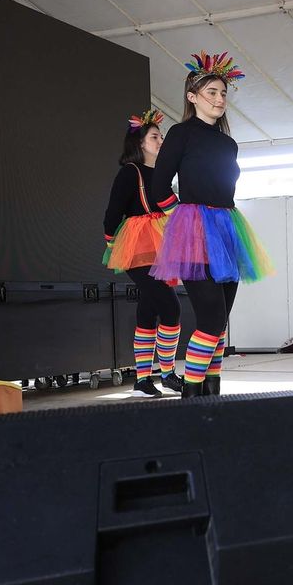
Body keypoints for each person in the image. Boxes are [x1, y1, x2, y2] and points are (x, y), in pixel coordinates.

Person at [150, 52, 273, 398]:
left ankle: (211, 391)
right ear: (192, 97)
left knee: (220, 323)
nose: (219, 99)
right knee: (211, 318)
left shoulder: (228, 143)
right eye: (212, 93)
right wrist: (182, 219)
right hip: (194, 230)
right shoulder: (180, 134)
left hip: (228, 230)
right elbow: (159, 187)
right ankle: (191, 394)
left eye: (223, 93)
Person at [103, 108, 182, 397]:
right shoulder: (130, 172)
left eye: (161, 137)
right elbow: (113, 212)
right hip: (137, 245)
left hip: (161, 245)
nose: (161, 141)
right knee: (170, 307)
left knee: (148, 309)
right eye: (155, 137)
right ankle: (167, 374)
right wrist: (112, 243)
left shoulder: (162, 173)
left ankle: (143, 381)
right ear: (140, 143)